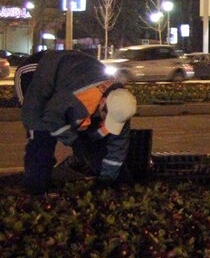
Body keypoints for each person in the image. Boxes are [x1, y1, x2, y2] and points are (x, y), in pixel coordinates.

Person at [19, 50, 137, 194]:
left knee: (90, 138)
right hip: (37, 70)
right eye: (106, 116)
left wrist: (107, 179)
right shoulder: (78, 95)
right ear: (103, 102)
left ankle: (42, 176)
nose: (106, 122)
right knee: (40, 133)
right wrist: (74, 141)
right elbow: (52, 119)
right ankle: (35, 188)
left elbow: (117, 149)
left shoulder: (122, 106)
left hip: (71, 79)